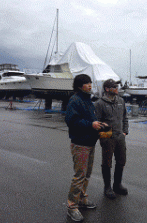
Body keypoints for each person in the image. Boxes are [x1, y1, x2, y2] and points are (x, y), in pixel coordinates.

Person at [65, 74, 103, 222]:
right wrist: (90, 125)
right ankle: (71, 206)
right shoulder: (75, 100)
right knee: (80, 175)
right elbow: (71, 121)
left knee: (87, 174)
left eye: (90, 82)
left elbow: (90, 119)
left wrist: (98, 125)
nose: (90, 85)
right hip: (80, 144)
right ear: (80, 86)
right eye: (86, 83)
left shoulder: (88, 100)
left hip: (90, 142)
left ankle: (81, 198)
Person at [94, 79, 129, 199]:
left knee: (121, 161)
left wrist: (125, 131)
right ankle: (107, 187)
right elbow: (97, 123)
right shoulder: (99, 104)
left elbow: (125, 117)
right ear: (107, 89)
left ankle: (117, 184)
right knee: (107, 163)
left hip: (120, 136)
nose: (117, 88)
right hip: (107, 136)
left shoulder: (121, 101)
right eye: (115, 87)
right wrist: (104, 138)